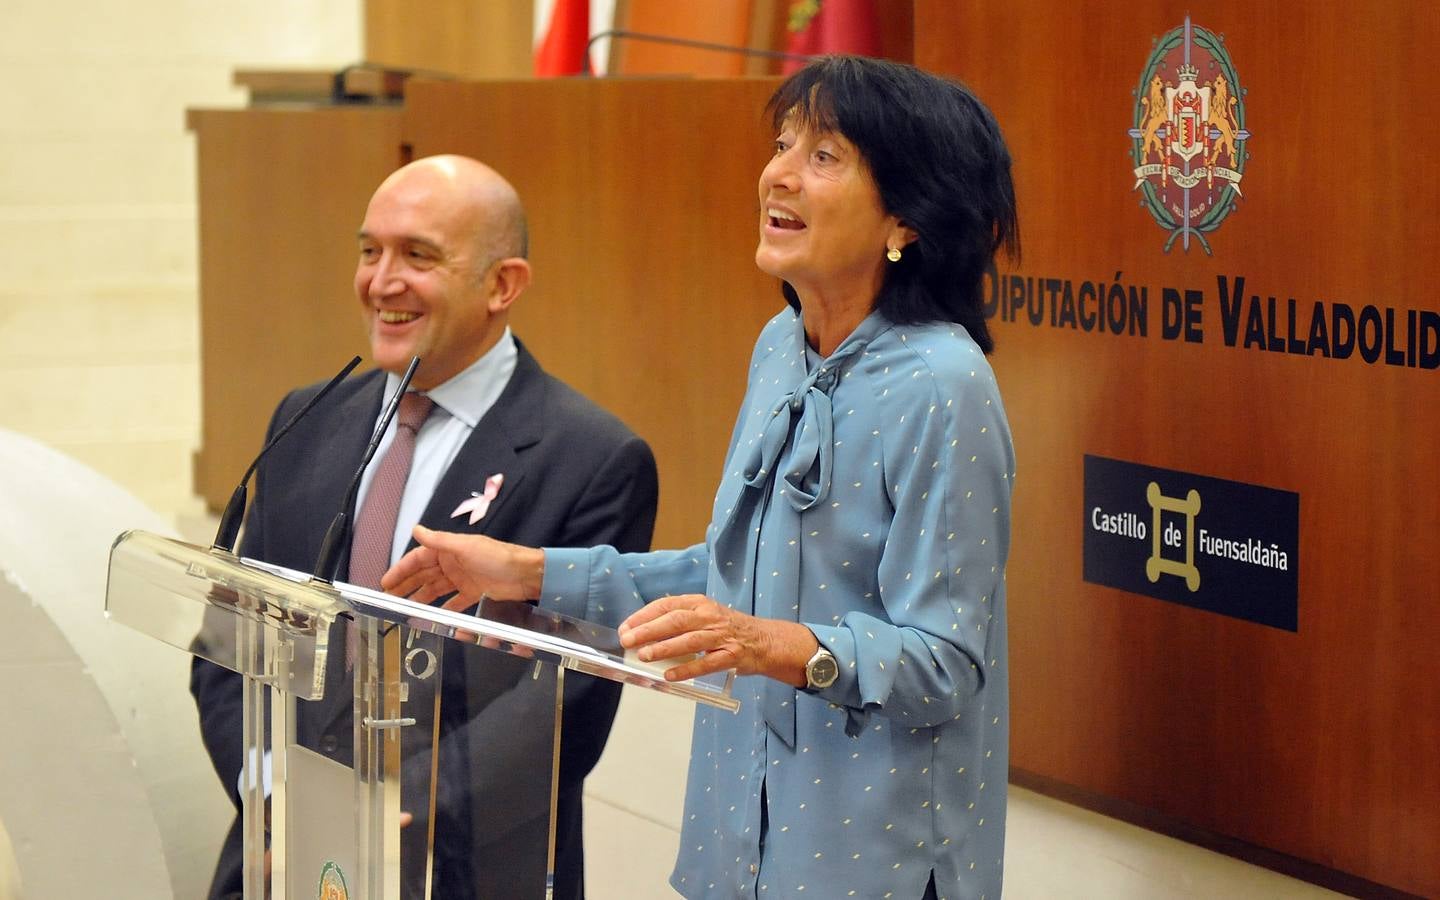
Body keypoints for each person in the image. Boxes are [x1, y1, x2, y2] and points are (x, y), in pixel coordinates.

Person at [385, 57, 1018, 899]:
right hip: (739, 847)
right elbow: (731, 581)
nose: (778, 174)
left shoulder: (944, 385)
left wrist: (769, 644)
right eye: (783, 144)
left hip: (871, 862)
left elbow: (944, 663)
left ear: (906, 215)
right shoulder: (780, 349)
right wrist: (526, 572)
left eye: (824, 156)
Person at [189, 155, 659, 899]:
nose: (381, 282)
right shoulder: (305, 419)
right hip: (282, 860)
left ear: (503, 285)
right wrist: (281, 801)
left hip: (465, 870)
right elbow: (228, 645)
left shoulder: (593, 459)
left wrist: (374, 820)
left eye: (418, 256)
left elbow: (561, 709)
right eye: (369, 251)